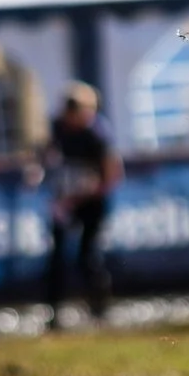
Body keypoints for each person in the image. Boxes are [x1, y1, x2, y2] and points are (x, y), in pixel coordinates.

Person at [40, 81, 121, 322]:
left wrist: (82, 194)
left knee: (88, 255)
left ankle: (99, 309)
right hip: (65, 202)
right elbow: (45, 156)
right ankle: (54, 312)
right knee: (56, 256)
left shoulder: (97, 135)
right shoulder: (58, 129)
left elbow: (112, 175)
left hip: (90, 202)